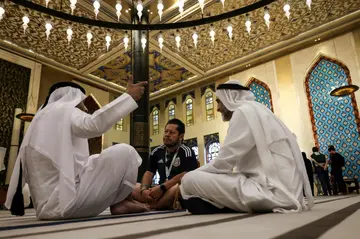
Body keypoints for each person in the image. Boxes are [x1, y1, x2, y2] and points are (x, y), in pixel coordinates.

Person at [5, 78, 149, 220]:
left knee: (93, 160)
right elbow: (94, 124)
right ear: (72, 98)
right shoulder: (63, 111)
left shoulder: (40, 119)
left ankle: (123, 201)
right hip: (66, 204)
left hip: (46, 207)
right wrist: (128, 97)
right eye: (81, 102)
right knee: (125, 151)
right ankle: (122, 202)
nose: (85, 108)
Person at [179, 80, 314, 214]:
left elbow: (223, 164)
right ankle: (217, 203)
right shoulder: (258, 111)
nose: (218, 108)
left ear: (230, 98)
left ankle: (218, 203)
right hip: (285, 191)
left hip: (272, 193)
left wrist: (194, 173)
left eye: (218, 102)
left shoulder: (243, 113)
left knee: (189, 180)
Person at [132, 119, 198, 210]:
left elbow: (185, 175)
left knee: (177, 189)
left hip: (173, 189)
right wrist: (144, 189)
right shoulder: (157, 152)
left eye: (172, 132)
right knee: (133, 187)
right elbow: (149, 173)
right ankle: (163, 204)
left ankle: (150, 206)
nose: (167, 135)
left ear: (181, 136)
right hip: (160, 190)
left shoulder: (187, 152)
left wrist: (162, 188)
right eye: (166, 131)